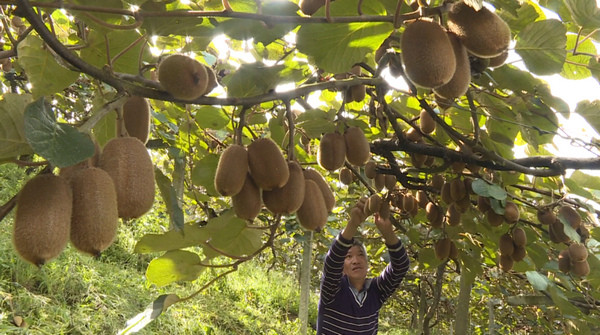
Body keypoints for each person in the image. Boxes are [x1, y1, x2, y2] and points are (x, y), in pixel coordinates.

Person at [316, 198, 410, 334]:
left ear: (367, 265)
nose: (355, 260)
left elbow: (401, 266)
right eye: (348, 256)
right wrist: (353, 224)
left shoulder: (376, 291)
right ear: (341, 267)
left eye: (360, 255)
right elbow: (332, 261)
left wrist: (388, 232)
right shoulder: (332, 290)